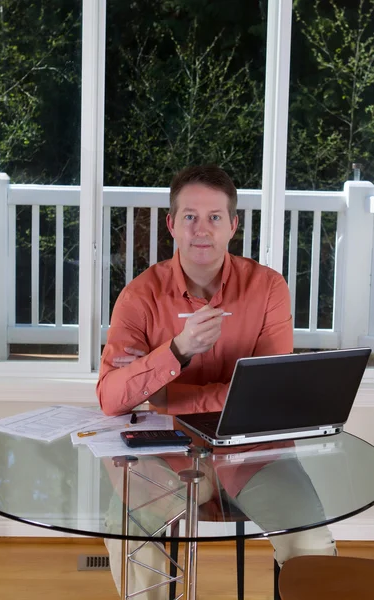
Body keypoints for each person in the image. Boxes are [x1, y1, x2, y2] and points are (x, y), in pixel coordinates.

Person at [96, 164, 336, 598]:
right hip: (167, 452)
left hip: (255, 452)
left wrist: (163, 393)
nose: (200, 230)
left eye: (214, 217)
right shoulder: (138, 297)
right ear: (171, 224)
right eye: (189, 216)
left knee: (313, 548)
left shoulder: (268, 289)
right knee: (127, 529)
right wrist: (177, 351)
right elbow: (111, 399)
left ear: (233, 225)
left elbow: (268, 396)